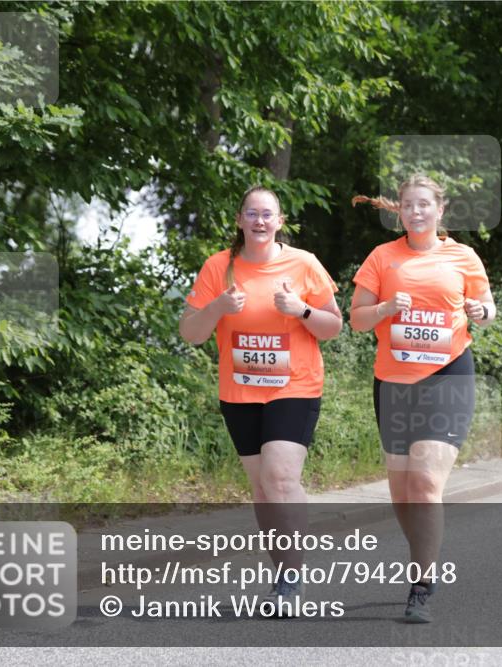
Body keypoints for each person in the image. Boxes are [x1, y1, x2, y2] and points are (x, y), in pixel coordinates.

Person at [179, 185, 341, 613]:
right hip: (241, 392)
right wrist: (217, 307)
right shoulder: (220, 267)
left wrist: (300, 310)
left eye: (267, 214)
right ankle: (281, 572)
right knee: (262, 488)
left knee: (281, 479)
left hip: (295, 387)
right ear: (239, 220)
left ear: (280, 222)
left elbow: (333, 327)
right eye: (251, 214)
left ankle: (292, 577)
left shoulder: (303, 264)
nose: (259, 221)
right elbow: (191, 334)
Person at [350, 174, 495, 623]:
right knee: (402, 492)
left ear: (440, 211)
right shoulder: (382, 257)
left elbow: (487, 308)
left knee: (426, 485)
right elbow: (356, 320)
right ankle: (422, 557)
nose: (416, 212)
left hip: (448, 375)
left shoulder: (463, 256)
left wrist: (479, 311)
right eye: (408, 205)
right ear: (399, 211)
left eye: (424, 205)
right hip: (393, 383)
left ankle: (422, 583)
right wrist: (387, 309)